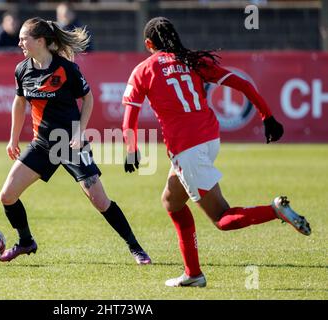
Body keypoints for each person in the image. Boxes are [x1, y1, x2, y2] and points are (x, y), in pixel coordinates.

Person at [121, 17, 311, 287]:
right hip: (210, 140)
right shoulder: (192, 61)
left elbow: (130, 116)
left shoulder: (144, 69)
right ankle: (193, 273)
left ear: (148, 44)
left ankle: (275, 211)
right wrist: (268, 117)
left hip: (187, 149)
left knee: (222, 219)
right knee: (172, 202)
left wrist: (131, 150)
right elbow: (243, 84)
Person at [0, 17, 151, 265]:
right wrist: (13, 139)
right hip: (42, 145)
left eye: (24, 38)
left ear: (40, 41)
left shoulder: (66, 68)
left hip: (69, 144)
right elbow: (19, 102)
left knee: (100, 201)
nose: (19, 42)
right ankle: (26, 242)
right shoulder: (22, 70)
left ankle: (136, 248)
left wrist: (80, 131)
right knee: (7, 195)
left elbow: (88, 99)